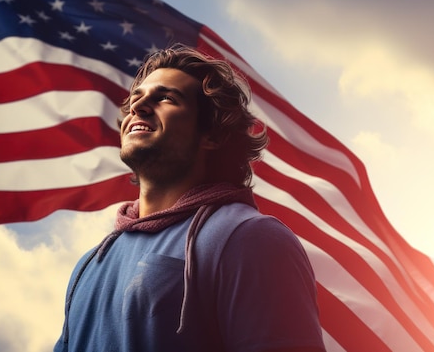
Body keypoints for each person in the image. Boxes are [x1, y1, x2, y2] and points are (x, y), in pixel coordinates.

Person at [53, 44, 326, 352]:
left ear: (213, 134)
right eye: (136, 99)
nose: (138, 108)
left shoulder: (252, 238)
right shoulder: (87, 266)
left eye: (166, 98)